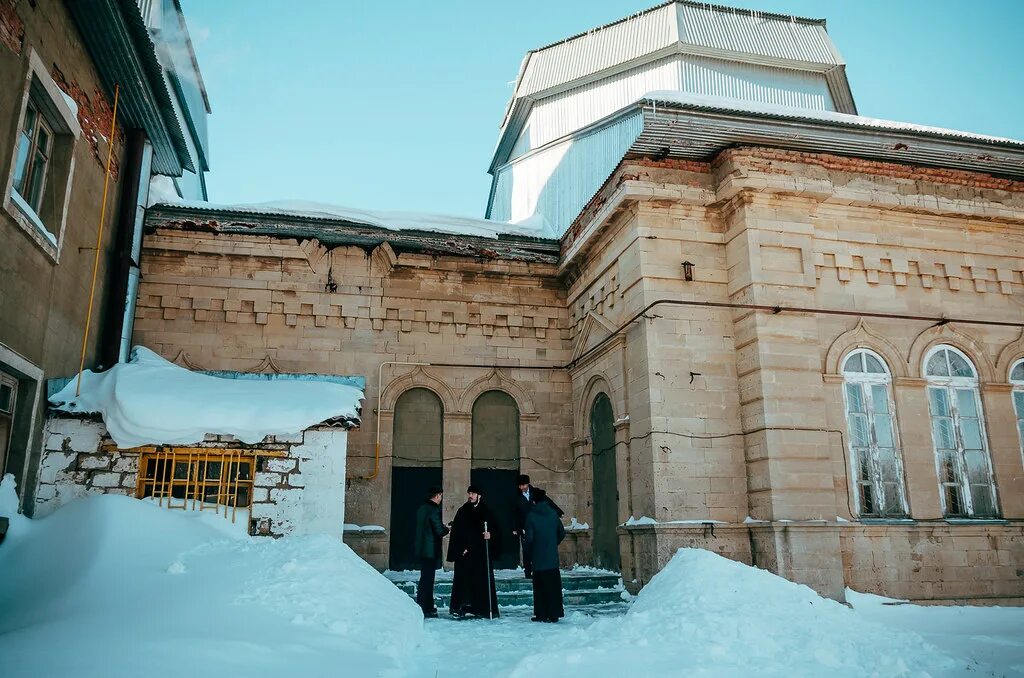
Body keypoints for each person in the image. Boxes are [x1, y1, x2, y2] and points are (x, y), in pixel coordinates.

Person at [446, 484, 500, 618]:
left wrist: (490, 535)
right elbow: (457, 532)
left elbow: (497, 529)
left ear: (479, 496)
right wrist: (460, 549)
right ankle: (461, 607)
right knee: (463, 581)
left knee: (480, 581)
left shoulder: (487, 511)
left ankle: (482, 608)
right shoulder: (462, 511)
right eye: (469, 493)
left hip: (480, 554)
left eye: (473, 494)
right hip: (466, 553)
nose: (470, 496)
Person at [523, 488, 566, 623]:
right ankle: (554, 613)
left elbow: (529, 539)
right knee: (553, 586)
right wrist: (553, 543)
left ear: (534, 501)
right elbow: (562, 533)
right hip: (552, 558)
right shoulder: (553, 514)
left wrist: (528, 554)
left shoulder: (531, 516)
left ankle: (541, 613)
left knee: (540, 587)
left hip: (538, 558)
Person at [513, 474, 563, 578]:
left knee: (537, 548)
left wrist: (558, 511)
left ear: (527, 484)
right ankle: (528, 572)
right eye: (519, 486)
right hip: (525, 526)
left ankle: (537, 569)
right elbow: (514, 514)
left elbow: (548, 502)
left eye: (523, 485)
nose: (521, 488)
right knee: (526, 549)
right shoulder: (516, 497)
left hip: (537, 525)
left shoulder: (536, 493)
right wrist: (516, 528)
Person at [414, 486, 449, 618]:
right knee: (428, 580)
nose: (441, 499)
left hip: (422, 548)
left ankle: (426, 606)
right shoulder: (434, 510)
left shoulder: (422, 508)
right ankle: (425, 607)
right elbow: (438, 531)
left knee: (425, 578)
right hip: (430, 549)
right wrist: (447, 529)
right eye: (440, 496)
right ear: (437, 496)